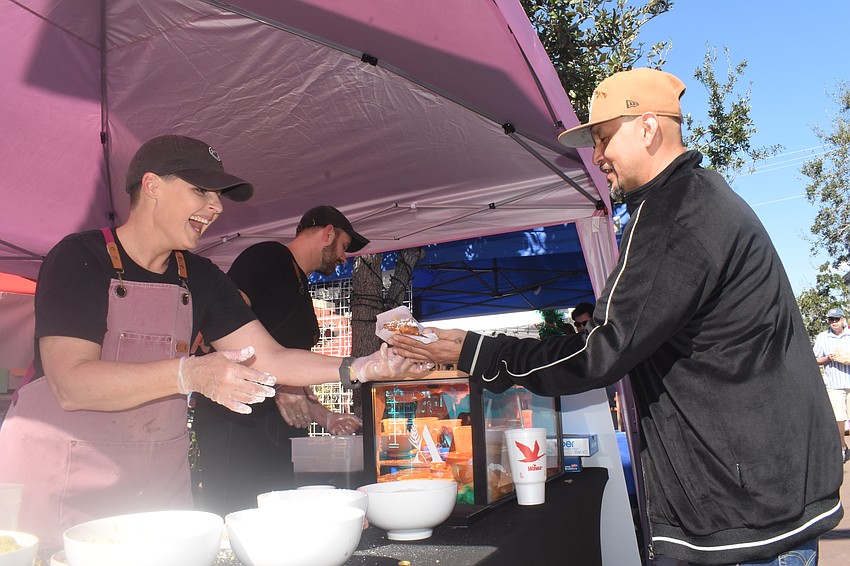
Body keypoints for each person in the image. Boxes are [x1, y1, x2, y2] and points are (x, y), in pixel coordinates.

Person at [391, 69, 843, 565]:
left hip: (745, 511)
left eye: (604, 138)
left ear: (648, 129)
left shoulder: (675, 210)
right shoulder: (700, 196)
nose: (598, 156)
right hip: (760, 493)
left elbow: (603, 350)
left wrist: (478, 351)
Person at [0, 134, 424, 548]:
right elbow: (71, 384)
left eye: (218, 196)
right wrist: (188, 374)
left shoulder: (201, 277)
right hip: (62, 483)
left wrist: (362, 366)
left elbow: (268, 356)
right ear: (151, 185)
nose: (216, 207)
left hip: (154, 485)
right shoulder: (79, 257)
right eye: (200, 191)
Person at [193, 205, 367, 515]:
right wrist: (283, 383)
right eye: (344, 246)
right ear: (328, 234)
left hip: (273, 433)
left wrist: (325, 416)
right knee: (239, 519)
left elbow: (290, 374)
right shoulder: (269, 257)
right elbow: (217, 329)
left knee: (280, 520)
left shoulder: (301, 286)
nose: (344, 257)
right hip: (236, 424)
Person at [813, 307, 850, 463]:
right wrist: (828, 358)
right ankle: (842, 447)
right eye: (831, 319)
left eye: (837, 319)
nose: (834, 322)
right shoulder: (823, 337)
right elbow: (815, 359)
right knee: (838, 418)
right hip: (834, 384)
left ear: (843, 320)